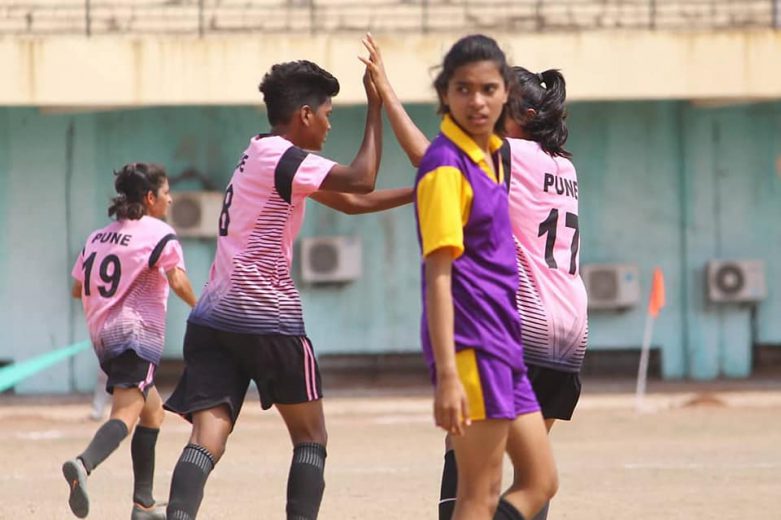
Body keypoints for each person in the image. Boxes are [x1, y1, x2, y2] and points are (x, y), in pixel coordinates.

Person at [163, 59, 411, 520]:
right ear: (304, 115)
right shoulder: (284, 158)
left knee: (207, 439)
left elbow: (353, 202)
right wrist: (375, 107)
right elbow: (362, 178)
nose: (331, 124)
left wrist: (421, 191)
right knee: (311, 436)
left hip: (213, 319)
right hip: (267, 318)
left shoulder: (260, 154)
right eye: (328, 114)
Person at [361, 35, 585, 520]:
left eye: (492, 90)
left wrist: (387, 95)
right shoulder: (562, 165)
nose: (480, 101)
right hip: (566, 329)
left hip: (517, 326)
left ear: (511, 103)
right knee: (518, 480)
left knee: (483, 481)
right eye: (467, 89)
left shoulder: (503, 157)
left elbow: (431, 159)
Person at [64, 163, 197, 519]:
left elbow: (77, 288)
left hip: (104, 338)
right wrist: (204, 309)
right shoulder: (158, 233)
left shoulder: (97, 237)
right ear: (150, 197)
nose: (170, 199)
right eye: (166, 193)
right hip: (136, 334)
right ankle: (83, 463)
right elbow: (178, 281)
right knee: (126, 414)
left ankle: (144, 504)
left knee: (152, 413)